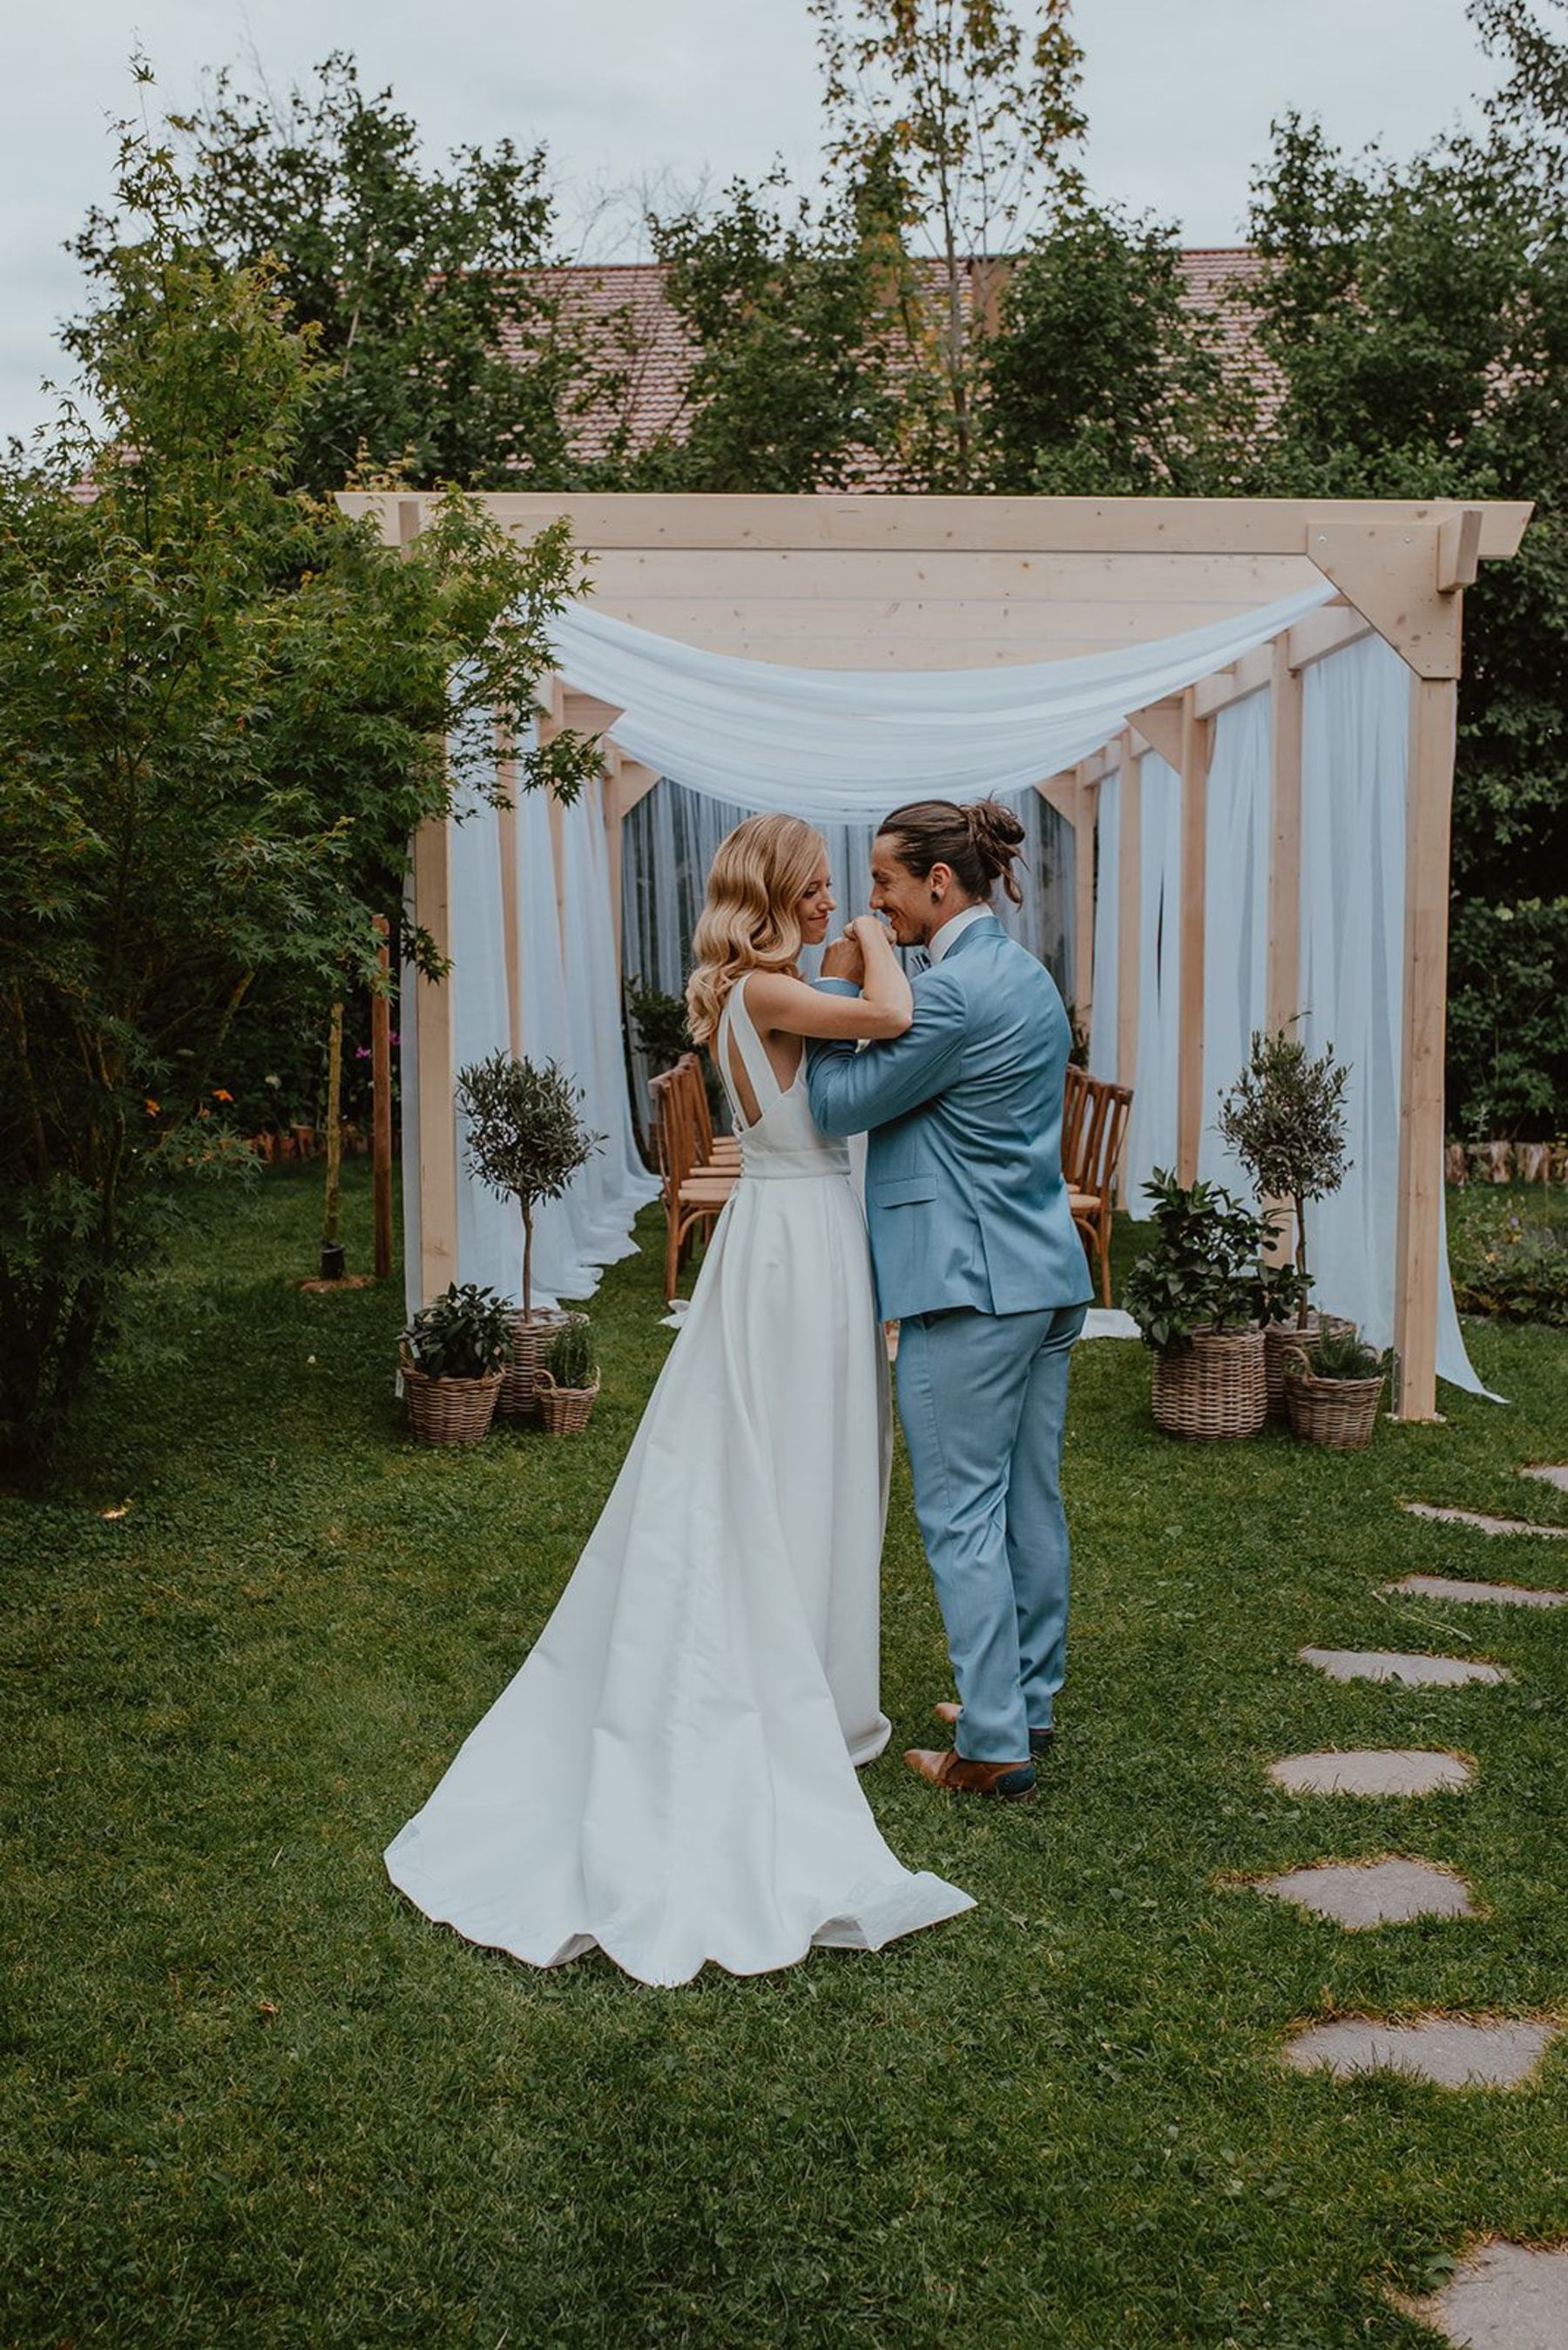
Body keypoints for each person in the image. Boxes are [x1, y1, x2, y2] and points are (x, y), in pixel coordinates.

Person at [385, 814, 972, 1988]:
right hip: (797, 1241)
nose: (832, 902)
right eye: (816, 886)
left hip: (790, 1233)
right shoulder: (769, 992)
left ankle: (817, 1675)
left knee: (813, 1454)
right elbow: (894, 1016)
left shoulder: (756, 988)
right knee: (797, 1457)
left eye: (838, 889)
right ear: (774, 892)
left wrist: (839, 943)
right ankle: (795, 1683)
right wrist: (878, 935)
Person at [808, 798, 1091, 1805]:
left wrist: (834, 980)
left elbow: (834, 1104)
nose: (874, 901)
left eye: (884, 882)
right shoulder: (1022, 974)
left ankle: (993, 1743)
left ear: (937, 881)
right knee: (1028, 1499)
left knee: (962, 1512)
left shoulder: (952, 995)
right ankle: (1027, 1699)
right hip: (1044, 1273)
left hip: (971, 1287)